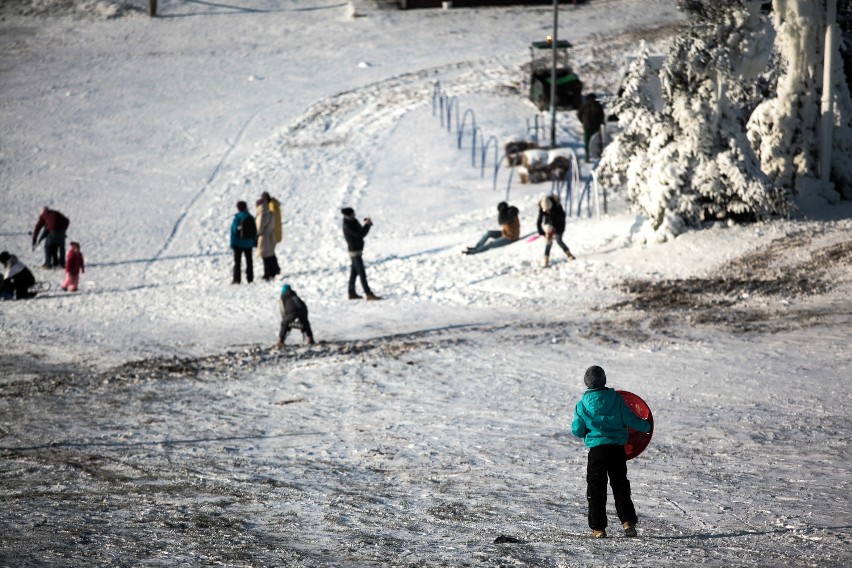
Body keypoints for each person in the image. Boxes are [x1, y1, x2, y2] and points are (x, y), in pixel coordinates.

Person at [571, 365, 652, 539]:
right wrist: (646, 426)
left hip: (597, 452)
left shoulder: (582, 405)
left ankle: (598, 529)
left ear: (587, 383)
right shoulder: (616, 399)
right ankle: (628, 522)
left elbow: (577, 430)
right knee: (620, 486)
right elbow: (631, 419)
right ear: (604, 380)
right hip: (617, 451)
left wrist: (586, 429)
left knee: (596, 488)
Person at [341, 207, 379, 300]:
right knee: (362, 273)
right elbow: (359, 235)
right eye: (353, 213)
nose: (355, 215)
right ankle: (368, 293)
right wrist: (367, 225)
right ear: (349, 214)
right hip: (354, 251)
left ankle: (351, 292)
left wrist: (367, 225)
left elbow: (361, 232)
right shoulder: (347, 225)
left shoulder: (353, 221)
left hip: (357, 250)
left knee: (354, 273)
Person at [536, 194, 576, 267]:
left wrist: (555, 229)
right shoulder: (542, 209)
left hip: (559, 226)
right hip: (548, 226)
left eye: (548, 209)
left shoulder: (557, 207)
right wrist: (541, 232)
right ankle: (546, 260)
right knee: (548, 242)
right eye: (545, 210)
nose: (547, 211)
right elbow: (539, 221)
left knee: (558, 240)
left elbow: (561, 218)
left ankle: (569, 254)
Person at [256, 193, 281, 281]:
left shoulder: (262, 215)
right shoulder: (271, 213)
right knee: (270, 254)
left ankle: (268, 273)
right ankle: (274, 270)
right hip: (271, 235)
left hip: (263, 237)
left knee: (265, 256)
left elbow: (259, 228)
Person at [230, 201, 256, 284]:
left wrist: (232, 244)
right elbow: (254, 231)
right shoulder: (250, 217)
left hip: (238, 244)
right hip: (249, 244)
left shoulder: (237, 218)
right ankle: (250, 278)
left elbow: (233, 231)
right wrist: (254, 242)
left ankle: (237, 279)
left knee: (237, 263)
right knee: (249, 261)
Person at [577, 93, 605, 162]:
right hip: (596, 126)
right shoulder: (598, 105)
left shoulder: (584, 105)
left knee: (587, 141)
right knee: (596, 141)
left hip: (587, 126)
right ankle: (597, 155)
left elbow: (579, 115)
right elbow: (602, 115)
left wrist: (583, 121)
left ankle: (587, 156)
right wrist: (600, 122)